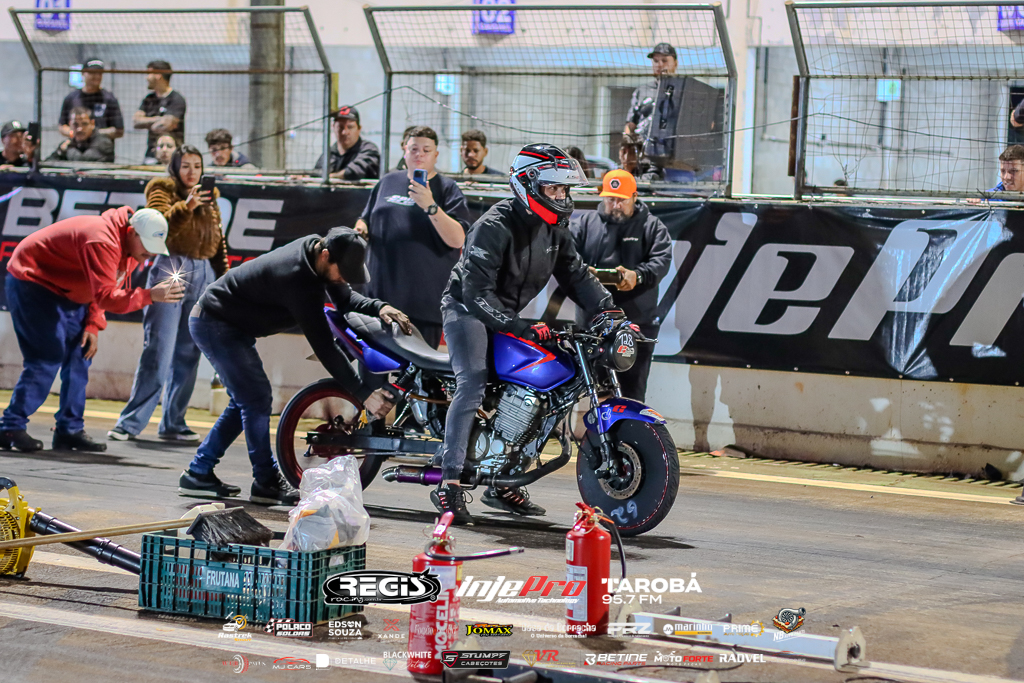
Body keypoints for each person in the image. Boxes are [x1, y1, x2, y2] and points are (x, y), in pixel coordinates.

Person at [434, 143, 614, 524]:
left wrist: (610, 310)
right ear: (528, 185)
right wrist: (519, 327)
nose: (561, 197)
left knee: (540, 389)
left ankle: (501, 481)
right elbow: (475, 294)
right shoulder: (494, 227)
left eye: (564, 189)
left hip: (504, 313)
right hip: (466, 309)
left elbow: (577, 276)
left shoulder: (555, 229)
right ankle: (448, 483)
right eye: (553, 188)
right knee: (473, 380)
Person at [178, 228, 412, 505]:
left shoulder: (319, 257)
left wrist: (379, 307)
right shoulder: (296, 278)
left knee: (247, 400)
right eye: (342, 273)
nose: (343, 280)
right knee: (256, 399)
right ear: (325, 255)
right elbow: (325, 348)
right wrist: (363, 394)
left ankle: (199, 472)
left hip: (229, 326)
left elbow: (345, 300)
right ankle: (265, 481)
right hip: (214, 323)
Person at [0, 208, 183, 453]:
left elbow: (106, 284)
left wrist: (92, 324)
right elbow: (106, 295)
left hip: (69, 290)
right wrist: (150, 295)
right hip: (33, 282)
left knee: (81, 354)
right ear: (131, 232)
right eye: (147, 245)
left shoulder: (129, 249)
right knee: (46, 356)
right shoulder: (102, 239)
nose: (150, 253)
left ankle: (69, 430)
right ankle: (10, 427)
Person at [109, 145, 229, 443]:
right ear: (175, 168)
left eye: (197, 166)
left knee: (189, 351)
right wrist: (186, 206)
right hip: (171, 267)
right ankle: (130, 423)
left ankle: (173, 423)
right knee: (159, 348)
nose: (192, 172)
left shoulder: (210, 196)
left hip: (204, 273)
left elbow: (218, 241)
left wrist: (224, 279)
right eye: (185, 165)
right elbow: (159, 230)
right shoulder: (161, 189)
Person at [354, 125, 471, 348]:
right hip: (378, 300)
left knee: (417, 369)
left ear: (436, 155)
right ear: (404, 150)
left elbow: (458, 240)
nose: (420, 155)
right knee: (371, 366)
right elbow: (365, 218)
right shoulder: (387, 181)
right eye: (414, 149)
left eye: (426, 150)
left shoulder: (447, 188)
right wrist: (361, 227)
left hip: (422, 305)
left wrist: (431, 206)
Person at [571, 170, 671, 401]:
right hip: (593, 322)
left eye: (622, 200)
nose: (615, 206)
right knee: (595, 391)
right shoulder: (585, 224)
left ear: (634, 197)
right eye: (610, 199)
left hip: (636, 320)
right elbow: (566, 255)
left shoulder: (652, 226)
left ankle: (630, 425)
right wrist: (583, 273)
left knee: (632, 392)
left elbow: (662, 261)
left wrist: (639, 275)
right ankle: (598, 425)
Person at [624, 43, 679, 180]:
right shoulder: (642, 90)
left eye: (664, 60)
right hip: (644, 158)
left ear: (675, 63)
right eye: (656, 61)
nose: (659, 65)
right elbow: (631, 124)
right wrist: (628, 146)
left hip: (673, 160)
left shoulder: (683, 90)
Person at [58, 59, 124, 150]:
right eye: (92, 73)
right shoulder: (71, 98)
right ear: (83, 73)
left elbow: (118, 130)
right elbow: (62, 126)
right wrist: (77, 133)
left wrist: (92, 133)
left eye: (100, 73)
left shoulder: (109, 99)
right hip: (76, 150)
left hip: (101, 150)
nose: (97, 76)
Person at [134, 60, 186, 163]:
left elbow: (167, 124)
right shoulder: (149, 99)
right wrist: (158, 119)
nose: (146, 78)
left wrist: (147, 121)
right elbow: (136, 121)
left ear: (158, 75)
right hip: (152, 153)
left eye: (149, 73)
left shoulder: (176, 99)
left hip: (172, 155)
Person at [314, 106, 380, 180]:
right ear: (333, 127)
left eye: (350, 127)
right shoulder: (329, 153)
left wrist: (330, 177)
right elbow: (317, 173)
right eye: (340, 127)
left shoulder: (368, 149)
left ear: (359, 129)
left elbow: (354, 172)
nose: (344, 132)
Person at [47, 107, 114, 163]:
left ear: (92, 124)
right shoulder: (69, 143)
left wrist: (67, 150)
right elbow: (48, 163)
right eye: (75, 124)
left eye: (84, 124)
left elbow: (83, 161)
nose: (80, 129)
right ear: (70, 125)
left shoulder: (104, 142)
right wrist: (60, 152)